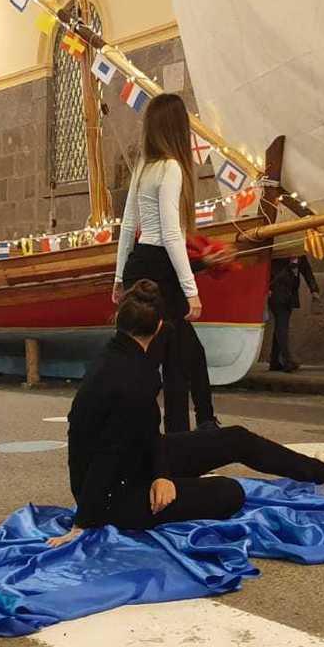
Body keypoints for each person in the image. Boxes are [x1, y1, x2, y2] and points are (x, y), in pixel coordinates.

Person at [47, 281, 324, 545]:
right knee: (229, 493)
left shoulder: (119, 357)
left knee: (235, 438)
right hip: (113, 495)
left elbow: (142, 438)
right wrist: (84, 522)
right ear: (161, 326)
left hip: (135, 463)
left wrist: (162, 472)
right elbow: (104, 453)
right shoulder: (131, 379)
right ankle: (171, 489)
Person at [113, 93, 228, 432]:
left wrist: (119, 277)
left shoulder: (143, 168)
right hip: (161, 265)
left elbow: (128, 228)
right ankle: (183, 435)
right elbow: (171, 234)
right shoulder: (171, 168)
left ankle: (203, 423)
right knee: (177, 360)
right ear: (177, 129)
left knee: (175, 353)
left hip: (139, 263)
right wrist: (192, 292)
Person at [267, 255, 318, 372]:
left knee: (280, 327)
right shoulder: (278, 254)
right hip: (276, 294)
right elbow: (267, 272)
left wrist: (314, 290)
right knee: (282, 326)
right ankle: (287, 360)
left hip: (290, 296)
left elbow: (307, 272)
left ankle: (274, 361)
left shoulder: (300, 256)